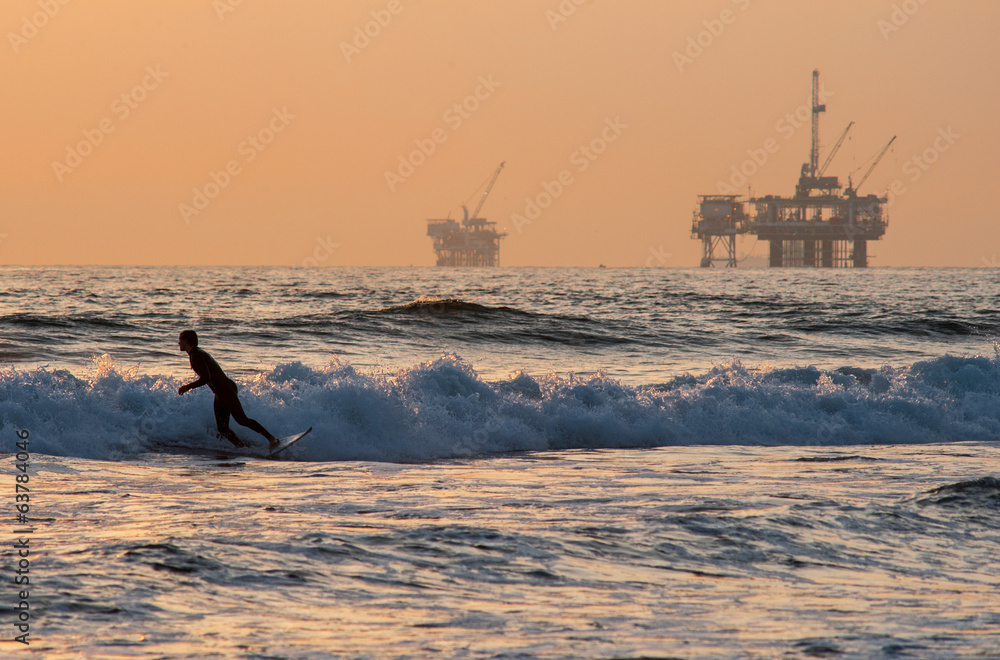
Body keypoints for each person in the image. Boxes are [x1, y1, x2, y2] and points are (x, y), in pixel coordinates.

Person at [177, 329, 279, 450]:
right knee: (222, 428)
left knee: (242, 420)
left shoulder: (196, 355)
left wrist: (187, 387)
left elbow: (206, 378)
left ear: (187, 341)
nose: (179, 343)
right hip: (220, 393)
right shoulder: (196, 354)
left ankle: (272, 439)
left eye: (180, 341)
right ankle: (241, 447)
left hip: (226, 390)